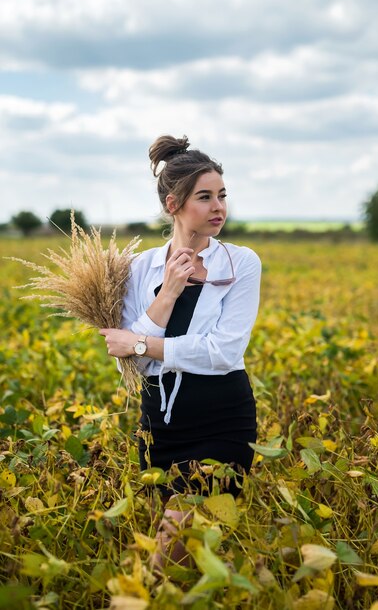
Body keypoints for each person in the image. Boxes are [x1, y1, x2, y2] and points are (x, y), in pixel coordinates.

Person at [99, 134, 261, 568]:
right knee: (188, 554)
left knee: (171, 549)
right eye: (205, 197)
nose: (219, 208)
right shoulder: (138, 268)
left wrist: (138, 342)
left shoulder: (241, 263)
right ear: (174, 204)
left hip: (222, 416)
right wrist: (167, 292)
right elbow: (132, 363)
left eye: (222, 196)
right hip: (159, 424)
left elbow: (223, 352)